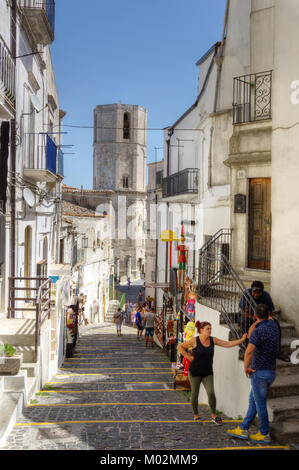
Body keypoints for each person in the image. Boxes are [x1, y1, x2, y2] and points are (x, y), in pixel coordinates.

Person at [227, 304, 280, 443]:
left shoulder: (258, 330)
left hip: (259, 373)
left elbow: (249, 351)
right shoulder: (274, 325)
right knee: (254, 402)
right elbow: (255, 331)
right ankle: (243, 428)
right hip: (271, 372)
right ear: (269, 314)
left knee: (260, 404)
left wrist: (246, 367)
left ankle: (264, 433)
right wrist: (260, 320)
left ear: (256, 316)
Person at [178, 321, 247, 425]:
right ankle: (196, 414)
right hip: (195, 371)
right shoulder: (194, 341)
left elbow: (227, 344)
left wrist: (241, 340)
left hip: (207, 372)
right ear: (201, 330)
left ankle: (214, 415)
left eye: (210, 329)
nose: (210, 331)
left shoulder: (213, 340)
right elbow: (180, 346)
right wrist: (188, 357)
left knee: (211, 392)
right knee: (195, 394)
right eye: (208, 329)